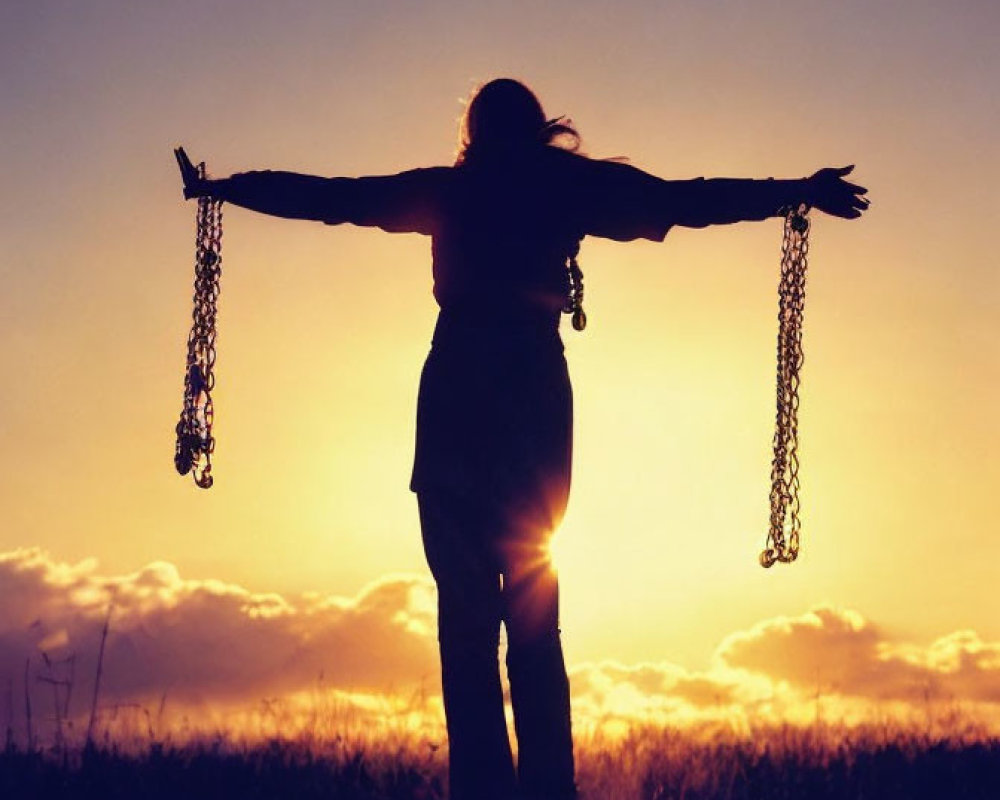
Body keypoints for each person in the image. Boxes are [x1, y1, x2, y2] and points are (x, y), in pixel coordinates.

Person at [175, 77, 868, 800]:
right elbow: (682, 200)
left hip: (455, 403)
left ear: (472, 136)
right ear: (536, 132)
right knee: (535, 628)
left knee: (466, 631)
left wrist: (228, 188)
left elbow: (335, 197)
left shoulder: (453, 191)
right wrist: (795, 189)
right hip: (532, 399)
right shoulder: (564, 188)